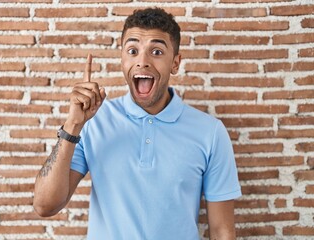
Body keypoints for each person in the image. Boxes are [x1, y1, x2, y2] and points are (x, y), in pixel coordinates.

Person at [33, 8, 241, 240]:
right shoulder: (93, 122)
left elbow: (222, 230)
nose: (142, 61)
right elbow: (45, 206)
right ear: (122, 59)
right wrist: (72, 125)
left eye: (156, 51)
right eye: (133, 51)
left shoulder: (210, 132)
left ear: (175, 62)